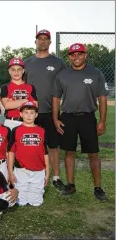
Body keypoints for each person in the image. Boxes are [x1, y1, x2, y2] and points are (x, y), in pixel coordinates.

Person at [52, 43, 108, 201]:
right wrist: (56, 119)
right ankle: (71, 185)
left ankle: (98, 187)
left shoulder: (95, 73)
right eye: (72, 54)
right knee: (69, 152)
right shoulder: (62, 74)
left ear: (85, 55)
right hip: (68, 117)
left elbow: (102, 98)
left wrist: (102, 121)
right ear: (69, 56)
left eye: (79, 54)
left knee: (93, 154)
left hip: (88, 117)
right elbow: (56, 98)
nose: (76, 57)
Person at [24, 29, 66, 191]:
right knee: (29, 144)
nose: (42, 41)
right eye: (39, 39)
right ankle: (28, 172)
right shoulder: (26, 62)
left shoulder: (58, 63)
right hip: (29, 112)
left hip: (50, 111)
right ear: (35, 42)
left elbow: (65, 85)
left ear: (49, 42)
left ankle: (55, 177)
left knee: (53, 145)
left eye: (45, 39)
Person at [8, 102, 50, 207]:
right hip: (21, 169)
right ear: (21, 114)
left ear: (36, 115)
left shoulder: (41, 131)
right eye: (26, 112)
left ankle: (35, 193)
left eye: (32, 113)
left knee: (36, 202)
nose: (29, 115)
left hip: (39, 169)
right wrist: (10, 172)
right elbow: (11, 152)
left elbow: (45, 152)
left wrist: (47, 173)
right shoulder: (16, 130)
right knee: (21, 201)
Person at [1, 57, 37, 130]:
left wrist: (14, 103)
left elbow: (35, 106)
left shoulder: (30, 87)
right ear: (9, 71)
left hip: (27, 122)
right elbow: (7, 105)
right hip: (10, 122)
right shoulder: (5, 87)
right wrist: (25, 101)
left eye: (19, 69)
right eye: (13, 70)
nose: (16, 72)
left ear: (23, 71)